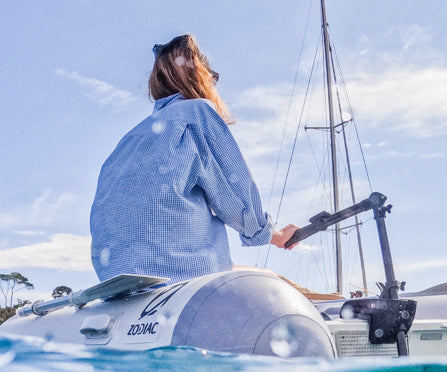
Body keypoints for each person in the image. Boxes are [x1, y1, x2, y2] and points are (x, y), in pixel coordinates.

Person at [89, 34, 297, 283]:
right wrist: (276, 235)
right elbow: (236, 197)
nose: (214, 83)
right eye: (213, 77)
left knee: (261, 274)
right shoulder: (197, 113)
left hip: (118, 280)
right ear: (199, 75)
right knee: (274, 281)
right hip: (176, 276)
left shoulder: (128, 140)